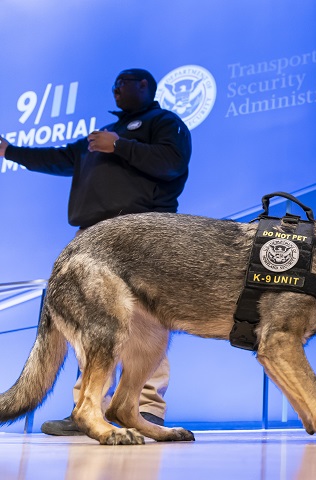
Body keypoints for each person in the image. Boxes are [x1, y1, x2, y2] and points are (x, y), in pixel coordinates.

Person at [0, 68, 192, 435]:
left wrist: (119, 145)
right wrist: (9, 151)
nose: (115, 88)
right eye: (114, 84)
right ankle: (88, 408)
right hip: (92, 236)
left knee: (148, 318)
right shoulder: (96, 137)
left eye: (123, 82)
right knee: (90, 324)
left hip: (144, 232)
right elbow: (58, 157)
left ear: (144, 86)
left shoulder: (164, 122)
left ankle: (144, 407)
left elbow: (172, 163)